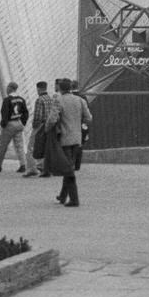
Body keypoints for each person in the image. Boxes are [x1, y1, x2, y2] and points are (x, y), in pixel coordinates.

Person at [51, 78, 92, 207]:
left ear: (61, 88)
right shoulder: (80, 100)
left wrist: (47, 129)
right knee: (68, 166)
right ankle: (63, 196)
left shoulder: (59, 100)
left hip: (65, 139)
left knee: (68, 169)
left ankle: (74, 199)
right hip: (77, 139)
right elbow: (89, 118)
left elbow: (52, 119)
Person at [0, 81, 30, 174]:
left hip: (9, 125)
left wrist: (3, 125)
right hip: (18, 123)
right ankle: (23, 164)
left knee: (3, 146)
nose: (6, 89)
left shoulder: (7, 100)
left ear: (10, 88)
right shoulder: (21, 99)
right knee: (19, 145)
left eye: (7, 88)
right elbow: (26, 113)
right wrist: (22, 123)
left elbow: (5, 114)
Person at [30, 81, 55, 177]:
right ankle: (45, 165)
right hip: (49, 125)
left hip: (41, 125)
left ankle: (35, 167)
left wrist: (34, 125)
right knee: (46, 145)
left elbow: (38, 115)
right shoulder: (50, 98)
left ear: (39, 89)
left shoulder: (39, 100)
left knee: (33, 145)